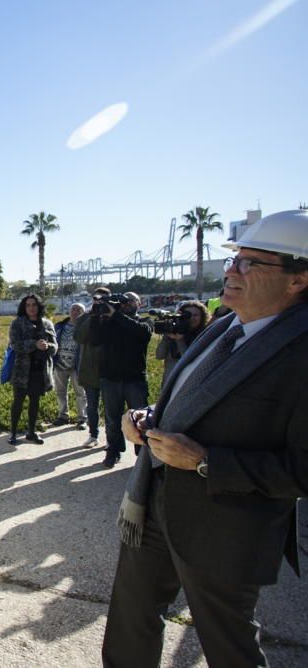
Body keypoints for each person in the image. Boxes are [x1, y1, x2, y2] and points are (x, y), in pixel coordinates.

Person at [102, 209, 308, 666]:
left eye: (251, 263)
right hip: (153, 503)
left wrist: (205, 460)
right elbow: (193, 401)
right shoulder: (222, 327)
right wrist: (149, 417)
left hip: (225, 529)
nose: (231, 271)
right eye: (234, 259)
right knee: (130, 625)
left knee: (228, 647)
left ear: (298, 279)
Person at [81, 291, 152, 467]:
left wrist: (116, 314)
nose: (127, 304)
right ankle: (113, 451)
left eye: (130, 301)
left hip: (134, 379)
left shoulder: (144, 321)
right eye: (123, 302)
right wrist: (97, 316)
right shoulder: (109, 322)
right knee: (112, 419)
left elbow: (142, 334)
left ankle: (142, 455)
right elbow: (94, 340)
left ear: (139, 303)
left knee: (139, 419)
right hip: (110, 378)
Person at [6, 294, 57, 445]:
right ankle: (13, 433)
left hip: (39, 371)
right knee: (18, 402)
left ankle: (31, 432)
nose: (31, 308)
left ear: (39, 306)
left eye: (34, 304)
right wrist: (34, 344)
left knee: (35, 402)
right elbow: (15, 344)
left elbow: (55, 347)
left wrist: (48, 347)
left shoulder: (47, 324)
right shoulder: (17, 323)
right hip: (21, 370)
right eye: (28, 305)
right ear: (24, 307)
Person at [74, 288, 110, 447]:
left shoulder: (114, 317)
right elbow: (78, 337)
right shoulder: (85, 317)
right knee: (92, 406)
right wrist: (92, 316)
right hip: (90, 369)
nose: (100, 301)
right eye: (97, 299)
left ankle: (111, 438)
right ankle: (93, 435)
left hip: (111, 370)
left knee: (111, 407)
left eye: (104, 299)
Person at [154, 300, 210, 386]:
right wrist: (166, 336)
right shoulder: (174, 331)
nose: (191, 318)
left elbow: (190, 361)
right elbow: (159, 356)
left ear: (203, 317)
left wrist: (180, 341)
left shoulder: (205, 335)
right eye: (187, 315)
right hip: (169, 383)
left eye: (196, 315)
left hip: (191, 383)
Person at [51, 302, 88, 428]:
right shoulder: (60, 326)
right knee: (60, 392)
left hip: (78, 366)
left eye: (79, 310)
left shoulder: (85, 327)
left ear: (83, 313)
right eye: (73, 309)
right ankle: (63, 416)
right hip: (60, 365)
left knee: (81, 393)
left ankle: (82, 418)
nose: (76, 312)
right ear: (69, 311)